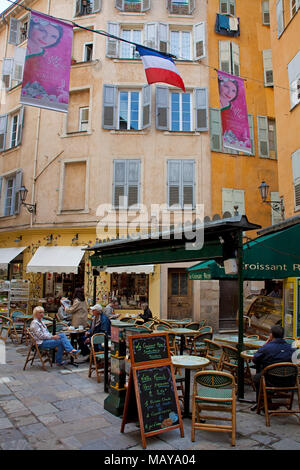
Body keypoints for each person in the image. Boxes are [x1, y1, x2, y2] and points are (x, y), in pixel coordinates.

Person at [250, 325, 295, 410]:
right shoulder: (292, 348)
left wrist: (266, 344)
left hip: (271, 380)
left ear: (271, 335)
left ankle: (264, 401)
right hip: (290, 381)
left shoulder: (267, 348)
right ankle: (267, 400)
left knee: (257, 378)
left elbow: (255, 360)